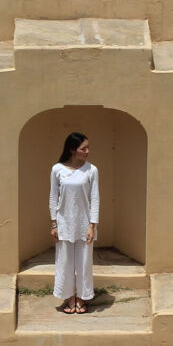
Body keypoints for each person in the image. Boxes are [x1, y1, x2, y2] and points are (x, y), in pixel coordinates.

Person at [49, 132, 99, 314]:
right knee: (64, 263)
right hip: (63, 223)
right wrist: (54, 224)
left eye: (88, 148)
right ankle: (69, 297)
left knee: (84, 263)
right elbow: (53, 197)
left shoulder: (92, 170)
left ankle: (82, 297)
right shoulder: (57, 169)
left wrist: (92, 226)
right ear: (72, 150)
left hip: (85, 224)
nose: (87, 151)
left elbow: (95, 198)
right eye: (83, 148)